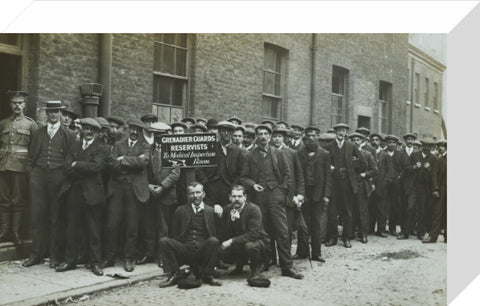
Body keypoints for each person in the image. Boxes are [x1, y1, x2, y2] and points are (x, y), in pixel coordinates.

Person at [240, 124, 303, 279]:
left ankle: (287, 266)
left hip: (276, 196)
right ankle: (264, 262)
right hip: (259, 197)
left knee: (282, 231)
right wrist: (252, 185)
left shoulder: (278, 153)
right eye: (259, 134)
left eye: (265, 134)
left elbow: (288, 175)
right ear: (256, 137)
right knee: (263, 232)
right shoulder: (250, 155)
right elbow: (243, 177)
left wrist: (281, 191)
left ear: (269, 136)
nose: (262, 136)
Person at [22, 101, 74, 268]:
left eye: (56, 111)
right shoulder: (38, 132)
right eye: (50, 111)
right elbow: (31, 155)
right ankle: (36, 254)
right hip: (38, 177)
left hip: (58, 178)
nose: (53, 114)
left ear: (60, 112)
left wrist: (63, 174)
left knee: (56, 218)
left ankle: (54, 256)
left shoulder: (68, 134)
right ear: (46, 113)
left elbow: (70, 158)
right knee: (37, 216)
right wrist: (31, 172)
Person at [56, 118, 108, 276]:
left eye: (91, 129)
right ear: (82, 130)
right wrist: (78, 166)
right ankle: (70, 261)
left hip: (92, 194)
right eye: (85, 128)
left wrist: (76, 164)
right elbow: (66, 168)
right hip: (74, 193)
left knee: (93, 230)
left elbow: (96, 167)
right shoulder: (75, 146)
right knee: (72, 228)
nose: (88, 131)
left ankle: (96, 263)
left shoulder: (102, 148)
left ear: (97, 133)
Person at [101, 119, 150, 272]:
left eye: (138, 130)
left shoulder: (145, 146)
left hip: (134, 190)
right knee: (112, 224)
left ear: (141, 131)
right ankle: (109, 258)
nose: (134, 132)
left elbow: (143, 163)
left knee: (132, 225)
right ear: (129, 130)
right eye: (132, 129)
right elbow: (111, 164)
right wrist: (130, 163)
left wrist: (123, 160)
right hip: (117, 188)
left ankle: (129, 258)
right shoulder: (118, 145)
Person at [158, 182, 221, 287]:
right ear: (188, 195)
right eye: (192, 193)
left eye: (198, 192)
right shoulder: (180, 210)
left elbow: (217, 233)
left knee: (214, 241)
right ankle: (174, 274)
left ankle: (208, 274)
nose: (195, 196)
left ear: (203, 194)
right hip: (185, 249)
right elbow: (174, 233)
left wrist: (219, 208)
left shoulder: (210, 211)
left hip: (202, 250)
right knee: (164, 241)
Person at [137, 122, 180, 265]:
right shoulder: (149, 149)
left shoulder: (174, 150)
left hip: (166, 193)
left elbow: (175, 173)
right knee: (149, 224)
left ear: (168, 134)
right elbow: (143, 170)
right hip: (150, 192)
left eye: (162, 134)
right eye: (156, 134)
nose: (159, 137)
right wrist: (148, 186)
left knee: (164, 227)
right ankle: (149, 253)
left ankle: (163, 255)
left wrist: (162, 187)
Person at [0, 91, 38, 244]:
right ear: (10, 104)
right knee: (3, 199)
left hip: (20, 167)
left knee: (18, 199)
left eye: (20, 103)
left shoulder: (31, 124)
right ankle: (4, 231)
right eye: (14, 103)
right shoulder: (3, 123)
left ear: (24, 105)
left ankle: (16, 233)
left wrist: (29, 166)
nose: (17, 105)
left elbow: (35, 148)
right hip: (3, 165)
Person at [325, 123, 366, 248]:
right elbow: (323, 163)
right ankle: (332, 238)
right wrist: (329, 167)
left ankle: (346, 238)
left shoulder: (351, 146)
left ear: (346, 133)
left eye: (343, 131)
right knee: (332, 211)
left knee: (347, 212)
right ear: (335, 132)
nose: (341, 133)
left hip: (347, 183)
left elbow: (363, 163)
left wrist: (350, 167)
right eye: (339, 131)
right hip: (333, 183)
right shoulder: (329, 146)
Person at [219, 185, 271, 279]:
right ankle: (239, 267)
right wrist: (217, 209)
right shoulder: (227, 209)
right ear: (230, 197)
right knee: (222, 247)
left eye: (239, 196)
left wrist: (231, 241)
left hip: (257, 241)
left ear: (245, 197)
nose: (237, 199)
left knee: (250, 246)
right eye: (234, 196)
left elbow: (253, 234)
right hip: (239, 243)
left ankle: (256, 270)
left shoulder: (254, 209)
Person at [270, 127, 306, 264]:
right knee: (273, 229)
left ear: (284, 138)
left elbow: (299, 176)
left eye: (279, 136)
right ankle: (272, 258)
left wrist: (300, 195)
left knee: (288, 229)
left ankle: (286, 259)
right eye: (274, 136)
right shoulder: (268, 152)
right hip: (274, 198)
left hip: (289, 198)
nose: (277, 139)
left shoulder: (292, 153)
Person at [296, 126, 331, 260]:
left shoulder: (325, 154)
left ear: (318, 137)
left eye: (314, 135)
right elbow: (297, 175)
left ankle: (317, 253)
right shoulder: (299, 153)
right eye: (309, 135)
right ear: (305, 138)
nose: (311, 138)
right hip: (304, 193)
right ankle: (302, 252)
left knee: (316, 224)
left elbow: (328, 176)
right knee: (302, 224)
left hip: (318, 194)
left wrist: (326, 195)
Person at [350, 132, 377, 243]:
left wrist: (365, 174)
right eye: (353, 140)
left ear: (362, 141)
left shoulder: (367, 154)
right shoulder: (347, 153)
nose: (355, 142)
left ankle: (363, 234)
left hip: (362, 185)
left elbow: (375, 170)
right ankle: (349, 232)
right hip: (350, 185)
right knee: (350, 210)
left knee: (362, 210)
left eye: (358, 139)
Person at [413, 137, 439, 241]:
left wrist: (429, 168)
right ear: (422, 146)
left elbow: (434, 175)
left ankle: (423, 231)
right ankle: (414, 231)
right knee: (415, 208)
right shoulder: (415, 155)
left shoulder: (433, 158)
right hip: (415, 186)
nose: (427, 148)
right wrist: (415, 166)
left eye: (429, 146)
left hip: (427, 188)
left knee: (425, 209)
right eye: (425, 145)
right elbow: (407, 168)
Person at [423, 139, 446, 243]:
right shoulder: (438, 159)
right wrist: (435, 189)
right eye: (439, 146)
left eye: (443, 146)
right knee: (437, 212)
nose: (441, 148)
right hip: (441, 190)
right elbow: (434, 175)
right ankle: (433, 237)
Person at [396, 133, 418, 240]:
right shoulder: (400, 153)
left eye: (412, 140)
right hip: (402, 184)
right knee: (403, 207)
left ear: (414, 141)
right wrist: (413, 167)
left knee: (411, 207)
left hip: (414, 185)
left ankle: (409, 230)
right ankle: (404, 230)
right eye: (408, 139)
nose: (410, 141)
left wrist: (411, 168)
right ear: (405, 141)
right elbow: (401, 167)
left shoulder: (417, 153)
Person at [383, 135, 402, 236]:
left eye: (393, 142)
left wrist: (399, 176)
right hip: (384, 183)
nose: (391, 144)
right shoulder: (383, 153)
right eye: (389, 142)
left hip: (395, 184)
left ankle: (392, 227)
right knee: (383, 205)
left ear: (396, 144)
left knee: (394, 205)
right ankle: (382, 227)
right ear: (386, 144)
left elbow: (403, 169)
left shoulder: (399, 154)